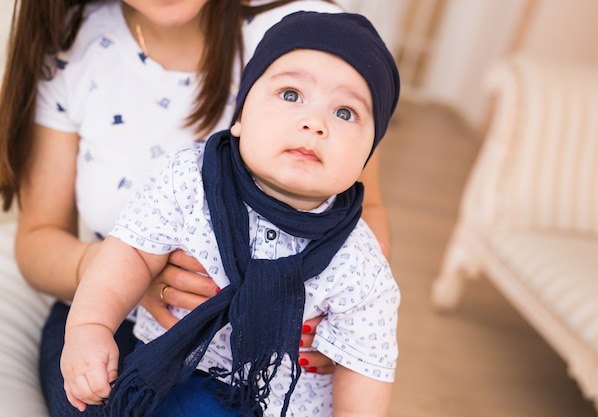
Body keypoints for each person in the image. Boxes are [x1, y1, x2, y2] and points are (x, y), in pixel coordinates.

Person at [0, 0, 391, 415]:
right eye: (291, 95)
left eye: (344, 112)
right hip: (123, 320)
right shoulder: (191, 175)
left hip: (271, 374)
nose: (315, 122)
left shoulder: (317, 35)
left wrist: (338, 331)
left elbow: (368, 346)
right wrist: (111, 289)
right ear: (238, 118)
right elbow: (48, 237)